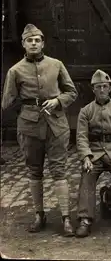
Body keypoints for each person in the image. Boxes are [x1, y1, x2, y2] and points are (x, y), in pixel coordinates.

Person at [1, 24, 77, 236]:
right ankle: (39, 215)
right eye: (29, 40)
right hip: (29, 127)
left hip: (56, 125)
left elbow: (72, 92)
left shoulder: (56, 65)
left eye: (37, 40)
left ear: (43, 43)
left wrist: (57, 101)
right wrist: (26, 110)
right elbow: (8, 101)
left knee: (59, 169)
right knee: (34, 170)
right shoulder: (15, 70)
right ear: (23, 44)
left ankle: (65, 218)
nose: (33, 43)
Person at [75, 70, 111, 238]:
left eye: (104, 86)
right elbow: (81, 136)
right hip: (94, 152)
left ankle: (107, 197)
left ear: (110, 88)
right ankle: (85, 219)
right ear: (92, 89)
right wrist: (86, 156)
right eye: (98, 87)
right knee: (87, 174)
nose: (101, 90)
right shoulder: (85, 111)